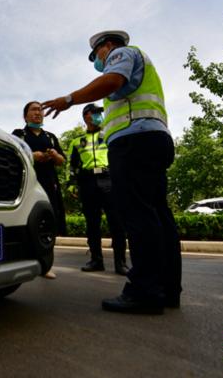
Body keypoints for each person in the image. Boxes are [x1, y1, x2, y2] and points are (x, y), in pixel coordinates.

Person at [42, 30, 182, 314]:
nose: (97, 61)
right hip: (152, 139)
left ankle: (144, 291)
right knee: (158, 215)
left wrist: (68, 99)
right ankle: (166, 288)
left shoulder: (121, 53)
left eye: (96, 55)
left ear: (106, 46)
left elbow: (111, 80)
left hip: (134, 142)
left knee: (139, 216)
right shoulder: (141, 62)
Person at [67, 103, 128, 276]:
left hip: (109, 179)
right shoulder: (77, 141)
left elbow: (120, 156)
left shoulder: (110, 135)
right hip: (88, 182)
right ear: (86, 116)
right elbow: (72, 166)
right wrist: (71, 183)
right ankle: (96, 260)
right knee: (92, 224)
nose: (98, 116)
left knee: (116, 222)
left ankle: (120, 263)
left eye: (99, 113)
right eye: (94, 113)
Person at [13, 101, 67, 279]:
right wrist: (32, 156)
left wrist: (54, 155)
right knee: (25, 220)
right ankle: (21, 261)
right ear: (25, 116)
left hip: (49, 184)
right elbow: (13, 155)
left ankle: (45, 265)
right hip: (27, 184)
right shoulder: (19, 135)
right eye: (34, 110)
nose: (38, 112)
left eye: (41, 110)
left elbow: (62, 161)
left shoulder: (50, 137)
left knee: (48, 223)